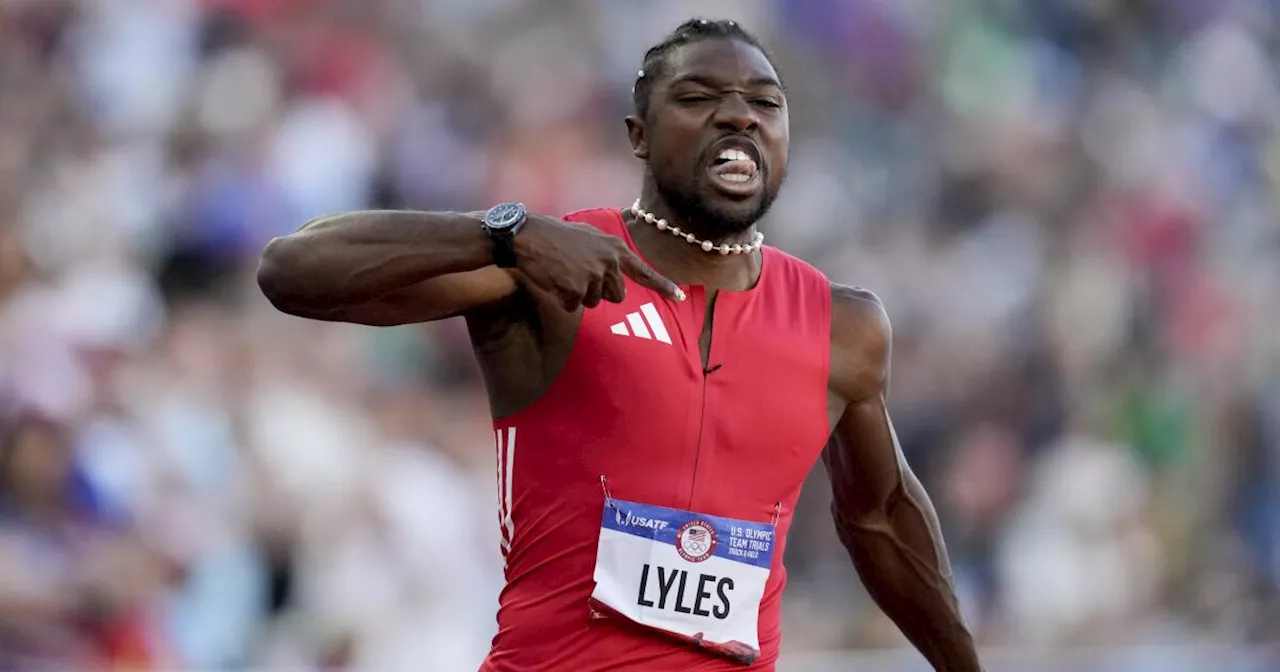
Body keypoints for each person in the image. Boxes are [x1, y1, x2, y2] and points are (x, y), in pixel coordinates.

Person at [257, 17, 982, 672]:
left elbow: (881, 517)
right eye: (700, 98)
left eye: (765, 103)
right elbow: (290, 271)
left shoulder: (841, 327)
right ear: (638, 134)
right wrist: (505, 232)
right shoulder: (550, 264)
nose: (738, 115)